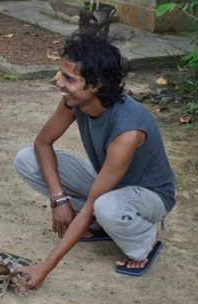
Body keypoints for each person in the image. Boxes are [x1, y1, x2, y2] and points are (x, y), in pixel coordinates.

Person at [12, 31, 176, 289]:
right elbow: (42, 143)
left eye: (69, 78)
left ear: (96, 84)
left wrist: (44, 267)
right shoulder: (73, 102)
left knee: (105, 207)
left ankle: (145, 239)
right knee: (26, 160)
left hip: (150, 196)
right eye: (61, 74)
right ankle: (104, 226)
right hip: (109, 187)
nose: (59, 83)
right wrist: (59, 199)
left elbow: (92, 205)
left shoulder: (128, 129)